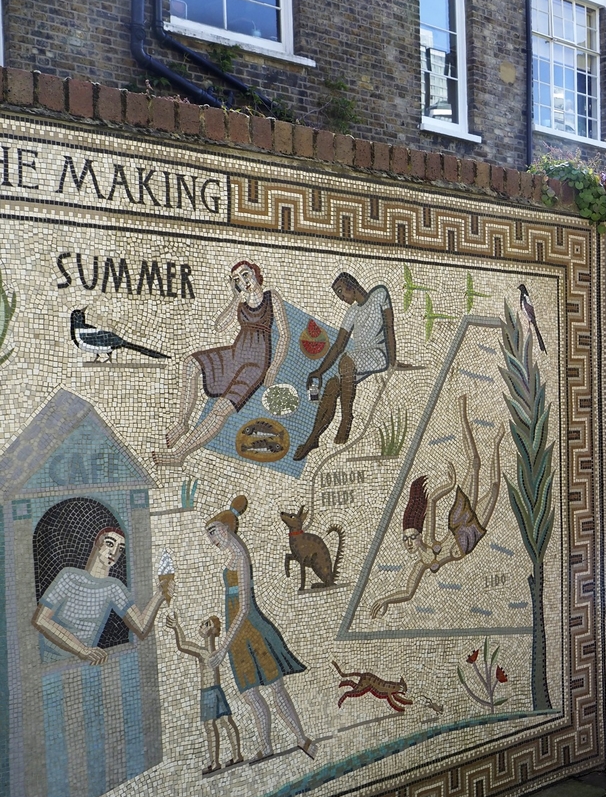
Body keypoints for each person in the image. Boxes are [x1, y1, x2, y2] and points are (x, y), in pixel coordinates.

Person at [203, 496, 315, 761]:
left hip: (250, 629)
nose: (212, 540)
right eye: (209, 535)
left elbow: (243, 608)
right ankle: (267, 746)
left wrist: (223, 648)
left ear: (226, 528)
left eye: (214, 532)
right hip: (236, 632)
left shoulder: (239, 555)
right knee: (251, 694)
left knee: (275, 687)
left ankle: (302, 739)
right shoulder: (232, 555)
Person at [370, 395, 502, 618]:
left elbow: (431, 501)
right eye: (405, 539)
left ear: (420, 535)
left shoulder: (430, 539)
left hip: (459, 523)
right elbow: (408, 592)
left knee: (474, 464)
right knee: (495, 488)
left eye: (411, 537)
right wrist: (385, 600)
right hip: (467, 538)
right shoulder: (420, 565)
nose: (409, 542)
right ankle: (497, 443)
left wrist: (450, 485)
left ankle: (463, 413)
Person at [156, 261, 290, 467]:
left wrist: (274, 367)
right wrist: (235, 297)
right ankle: (182, 422)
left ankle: (179, 454)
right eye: (237, 280)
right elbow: (220, 326)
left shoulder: (272, 298)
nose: (244, 282)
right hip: (235, 355)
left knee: (220, 410)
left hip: (255, 365)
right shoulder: (241, 304)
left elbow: (284, 336)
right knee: (191, 363)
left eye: (246, 275)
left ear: (255, 273)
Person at [294, 273, 396, 460]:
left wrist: (393, 361)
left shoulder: (379, 294)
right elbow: (339, 345)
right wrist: (319, 371)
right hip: (359, 359)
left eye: (341, 291)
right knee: (332, 386)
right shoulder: (352, 312)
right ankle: (313, 438)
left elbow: (389, 325)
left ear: (352, 285)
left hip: (379, 354)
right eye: (337, 294)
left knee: (346, 362)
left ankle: (346, 418)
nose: (341, 297)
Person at [33, 527, 170, 664]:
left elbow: (141, 628)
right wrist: (82, 650)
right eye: (110, 544)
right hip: (53, 660)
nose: (114, 552)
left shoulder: (114, 587)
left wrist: (160, 595)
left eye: (120, 549)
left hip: (85, 661)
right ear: (98, 543)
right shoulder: (68, 576)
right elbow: (41, 619)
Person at [165, 610, 244, 773]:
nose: (201, 625)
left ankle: (218, 761)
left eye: (206, 623)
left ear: (212, 630)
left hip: (209, 691)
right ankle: (234, 756)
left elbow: (183, 644)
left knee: (214, 724)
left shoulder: (204, 652)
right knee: (224, 721)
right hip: (214, 690)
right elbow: (183, 644)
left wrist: (177, 627)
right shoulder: (210, 651)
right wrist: (176, 627)